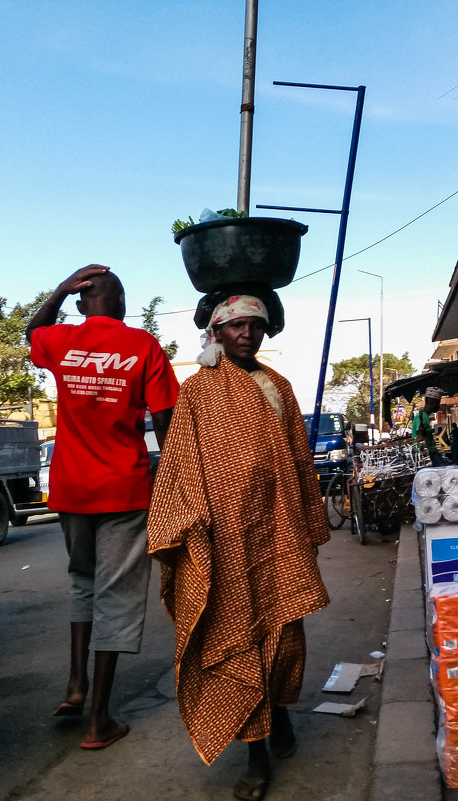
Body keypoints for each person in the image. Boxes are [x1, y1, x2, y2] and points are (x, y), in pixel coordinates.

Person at [147, 294, 330, 801]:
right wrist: (187, 523)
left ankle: (282, 712)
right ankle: (255, 753)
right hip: (225, 539)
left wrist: (310, 525)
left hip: (280, 531)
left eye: (256, 326)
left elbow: (299, 460)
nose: (247, 334)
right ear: (217, 332)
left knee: (285, 634)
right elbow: (180, 463)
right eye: (237, 326)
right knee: (239, 640)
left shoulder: (280, 387)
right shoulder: (198, 392)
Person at [26, 264, 178, 750]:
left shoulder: (61, 339)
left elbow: (33, 332)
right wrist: (174, 483)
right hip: (124, 489)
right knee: (117, 595)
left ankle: (75, 685)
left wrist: (59, 288)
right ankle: (99, 721)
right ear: (121, 304)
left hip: (72, 489)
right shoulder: (144, 346)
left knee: (82, 582)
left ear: (81, 302)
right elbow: (167, 421)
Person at [412, 387, 446, 466]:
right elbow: (420, 439)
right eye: (438, 403)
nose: (438, 406)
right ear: (432, 402)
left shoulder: (424, 416)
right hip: (430, 456)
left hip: (431, 455)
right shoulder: (422, 417)